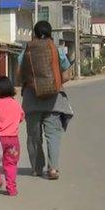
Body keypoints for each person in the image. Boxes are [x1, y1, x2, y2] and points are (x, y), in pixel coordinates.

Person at [17, 21, 74, 180]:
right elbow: (67, 75)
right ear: (50, 34)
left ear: (34, 33)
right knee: (53, 135)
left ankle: (36, 168)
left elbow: (19, 75)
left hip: (31, 100)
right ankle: (53, 169)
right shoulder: (56, 50)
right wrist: (53, 83)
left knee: (33, 136)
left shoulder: (26, 51)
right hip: (53, 101)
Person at [0, 76, 25, 196]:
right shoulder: (15, 103)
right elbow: (21, 117)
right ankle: (12, 188)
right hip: (13, 140)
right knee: (11, 164)